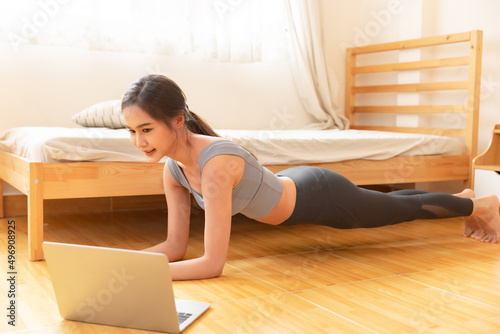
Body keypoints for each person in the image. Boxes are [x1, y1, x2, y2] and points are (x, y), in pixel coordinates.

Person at [121, 74, 500, 281]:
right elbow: (174, 247)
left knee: (395, 209)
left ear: (177, 120)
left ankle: (480, 203)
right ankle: (467, 199)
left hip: (319, 195)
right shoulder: (174, 168)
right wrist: (119, 265)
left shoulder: (215, 164)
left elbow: (212, 265)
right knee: (393, 203)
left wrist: (140, 279)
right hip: (297, 184)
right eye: (132, 132)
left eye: (146, 130)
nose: (139, 142)